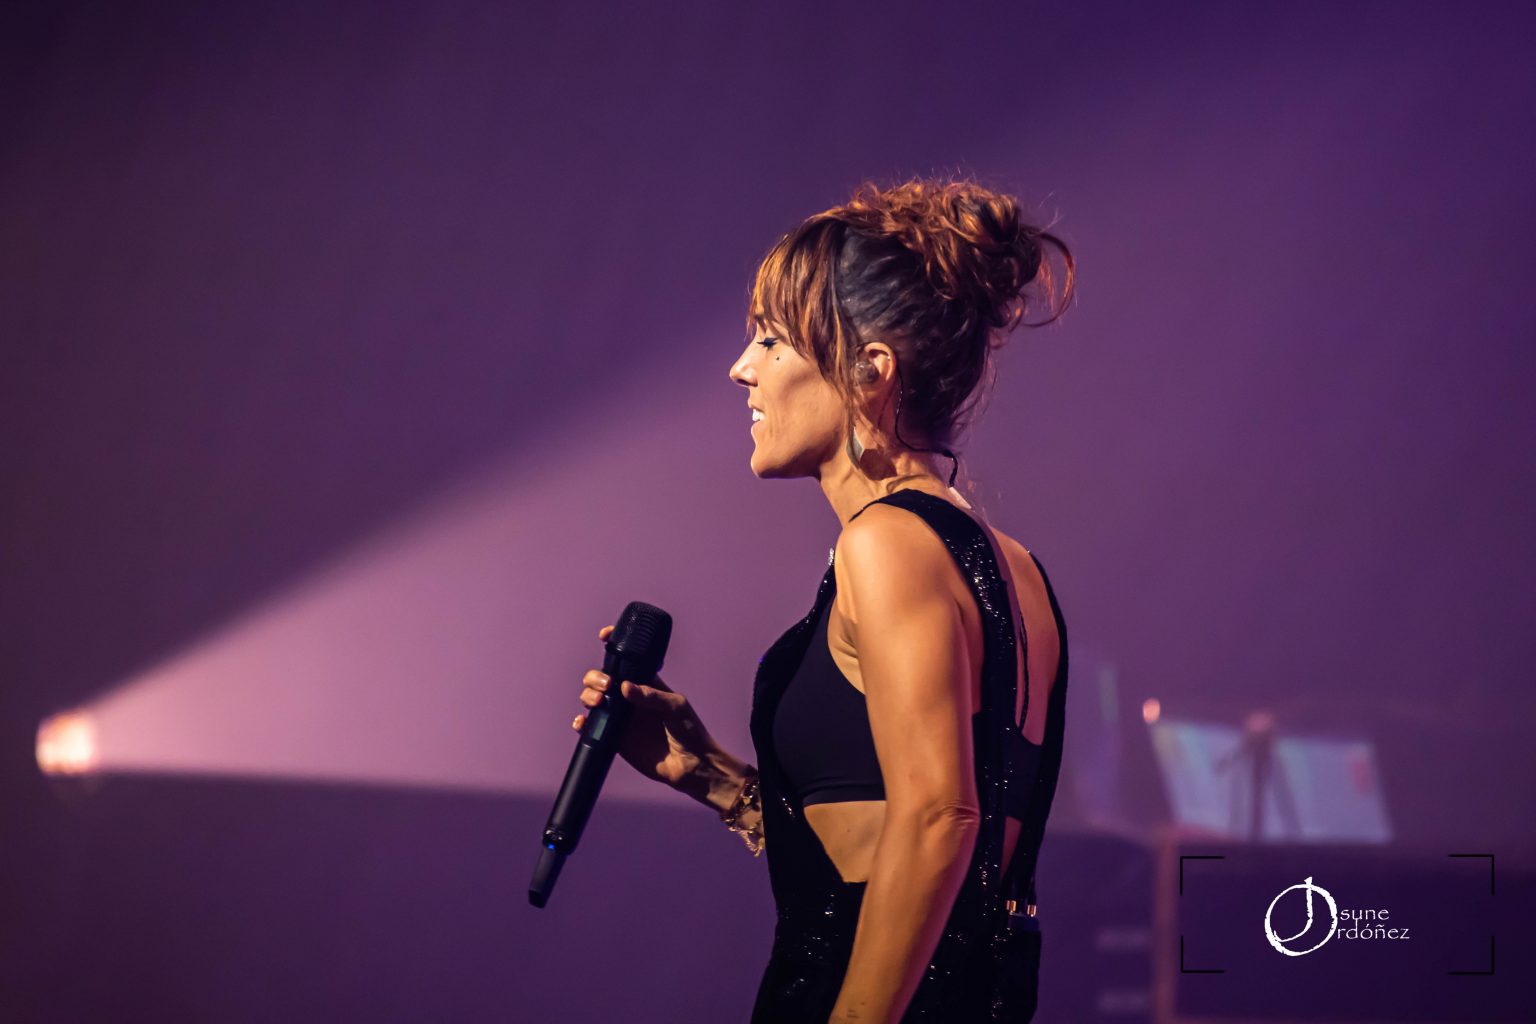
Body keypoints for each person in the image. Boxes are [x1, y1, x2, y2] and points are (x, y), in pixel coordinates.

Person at [571, 177, 1075, 1022]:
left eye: (771, 341)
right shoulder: (1019, 570)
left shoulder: (883, 545)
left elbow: (939, 818)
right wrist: (717, 780)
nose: (741, 370)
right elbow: (897, 844)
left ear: (870, 371)